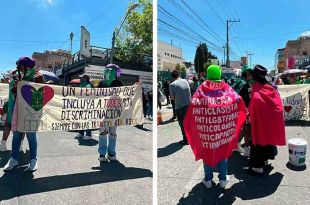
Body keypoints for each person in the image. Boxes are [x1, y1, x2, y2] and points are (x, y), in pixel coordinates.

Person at [184, 65, 247, 189]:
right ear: (219, 75)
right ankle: (223, 179)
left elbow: (192, 106)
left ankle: (208, 180)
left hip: (206, 132)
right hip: (222, 131)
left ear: (207, 75)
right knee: (222, 154)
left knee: (207, 154)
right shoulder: (226, 89)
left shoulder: (200, 90)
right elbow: (238, 100)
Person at [4, 57, 43, 171]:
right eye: (19, 67)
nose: (20, 69)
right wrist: (15, 87)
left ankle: (33, 160)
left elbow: (42, 94)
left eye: (22, 67)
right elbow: (13, 93)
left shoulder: (38, 77)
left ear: (28, 66)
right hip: (18, 109)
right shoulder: (19, 76)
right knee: (16, 135)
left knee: (31, 136)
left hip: (31, 111)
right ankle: (14, 159)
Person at [248, 65, 286, 174]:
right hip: (269, 121)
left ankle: (257, 167)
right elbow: (278, 106)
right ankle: (265, 161)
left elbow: (253, 106)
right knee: (267, 139)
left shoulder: (257, 89)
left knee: (259, 141)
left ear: (255, 77)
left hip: (260, 121)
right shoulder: (270, 87)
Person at [97, 74, 123, 162]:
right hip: (104, 113)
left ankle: (111, 154)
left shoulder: (118, 83)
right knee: (103, 133)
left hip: (115, 113)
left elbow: (125, 94)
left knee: (112, 134)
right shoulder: (102, 82)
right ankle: (102, 154)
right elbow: (96, 96)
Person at [169, 70, 191, 145]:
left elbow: (172, 98)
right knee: (188, 123)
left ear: (172, 77)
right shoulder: (185, 81)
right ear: (179, 75)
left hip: (179, 107)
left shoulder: (172, 85)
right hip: (188, 105)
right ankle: (190, 138)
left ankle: (186, 140)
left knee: (182, 124)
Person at [75, 74, 94, 140]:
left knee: (86, 120)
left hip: (87, 106)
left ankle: (88, 135)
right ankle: (81, 133)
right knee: (81, 119)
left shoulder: (88, 86)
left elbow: (88, 95)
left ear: (85, 79)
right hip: (81, 105)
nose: (80, 79)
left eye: (81, 78)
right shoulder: (82, 85)